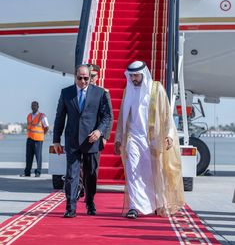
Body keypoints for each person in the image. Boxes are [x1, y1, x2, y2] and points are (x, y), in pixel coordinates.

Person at [114, 61, 184, 219]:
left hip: (153, 139)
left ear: (143, 74)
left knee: (153, 174)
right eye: (131, 75)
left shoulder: (156, 89)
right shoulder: (128, 91)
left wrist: (169, 135)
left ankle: (156, 204)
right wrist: (119, 138)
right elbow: (122, 118)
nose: (133, 78)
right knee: (132, 171)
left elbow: (167, 114)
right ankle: (133, 207)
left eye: (136, 75)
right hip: (132, 137)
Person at [53, 64, 113, 218]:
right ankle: (70, 206)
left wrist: (100, 132)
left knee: (90, 174)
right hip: (72, 140)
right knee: (72, 174)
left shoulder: (99, 93)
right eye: (80, 78)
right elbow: (60, 117)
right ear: (75, 77)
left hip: (91, 140)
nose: (83, 81)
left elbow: (107, 116)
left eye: (86, 78)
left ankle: (90, 201)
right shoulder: (66, 93)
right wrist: (56, 140)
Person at [76, 63, 113, 200]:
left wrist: (104, 136)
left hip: (95, 136)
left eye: (92, 76)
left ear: (97, 77)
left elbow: (109, 116)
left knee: (91, 168)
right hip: (80, 135)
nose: (89, 79)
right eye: (88, 76)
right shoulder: (79, 91)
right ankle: (79, 189)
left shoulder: (102, 93)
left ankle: (89, 192)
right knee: (78, 166)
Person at [21, 101, 49, 177]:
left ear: (38, 107)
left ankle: (38, 172)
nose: (33, 107)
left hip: (38, 139)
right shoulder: (29, 116)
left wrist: (42, 135)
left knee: (38, 156)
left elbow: (46, 127)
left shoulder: (42, 116)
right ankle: (27, 172)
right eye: (32, 105)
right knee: (28, 156)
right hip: (29, 139)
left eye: (35, 105)